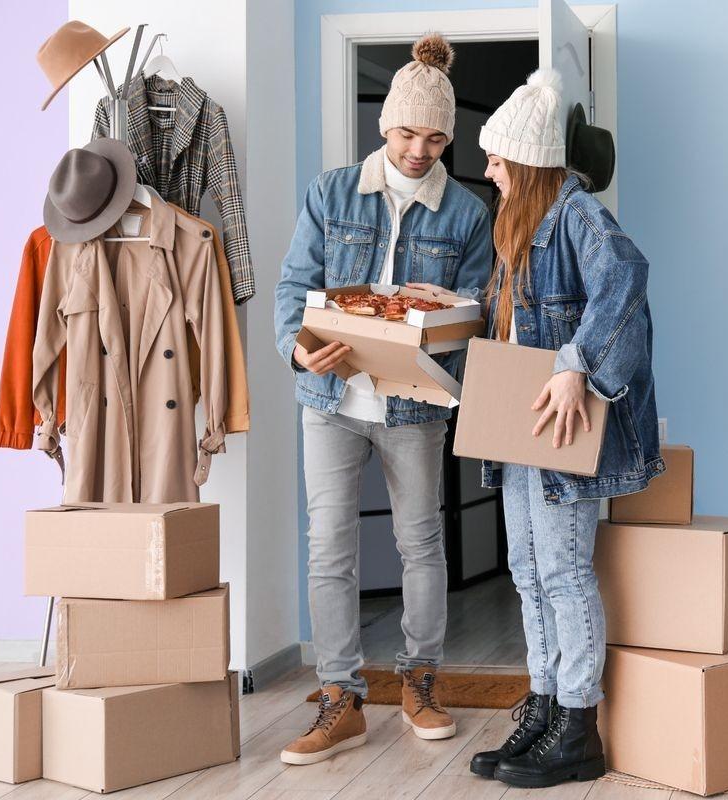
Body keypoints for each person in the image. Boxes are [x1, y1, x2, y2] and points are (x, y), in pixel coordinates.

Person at [273, 33, 491, 765]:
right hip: (331, 395)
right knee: (330, 546)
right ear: (383, 127)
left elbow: (484, 314)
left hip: (415, 404)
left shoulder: (466, 213)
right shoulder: (330, 192)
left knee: (420, 543)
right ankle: (340, 698)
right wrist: (299, 347)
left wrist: (447, 316)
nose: (419, 151)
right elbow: (289, 292)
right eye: (406, 134)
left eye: (434, 138)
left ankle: (419, 682)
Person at [466, 70, 664, 789]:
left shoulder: (578, 216)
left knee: (563, 574)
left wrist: (576, 363)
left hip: (563, 431)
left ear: (526, 161)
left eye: (496, 158)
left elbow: (626, 281)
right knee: (527, 572)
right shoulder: (521, 228)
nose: (487, 168)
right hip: (522, 430)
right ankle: (545, 707)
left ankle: (579, 727)